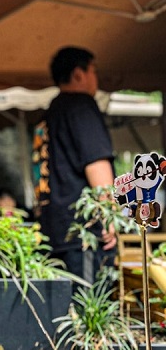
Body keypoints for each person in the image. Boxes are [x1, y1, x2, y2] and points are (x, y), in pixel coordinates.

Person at [32, 46, 116, 282]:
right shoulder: (81, 106)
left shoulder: (49, 114)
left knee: (62, 311)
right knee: (90, 310)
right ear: (79, 74)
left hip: (53, 231)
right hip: (84, 234)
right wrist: (108, 215)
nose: (95, 78)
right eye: (93, 71)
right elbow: (96, 162)